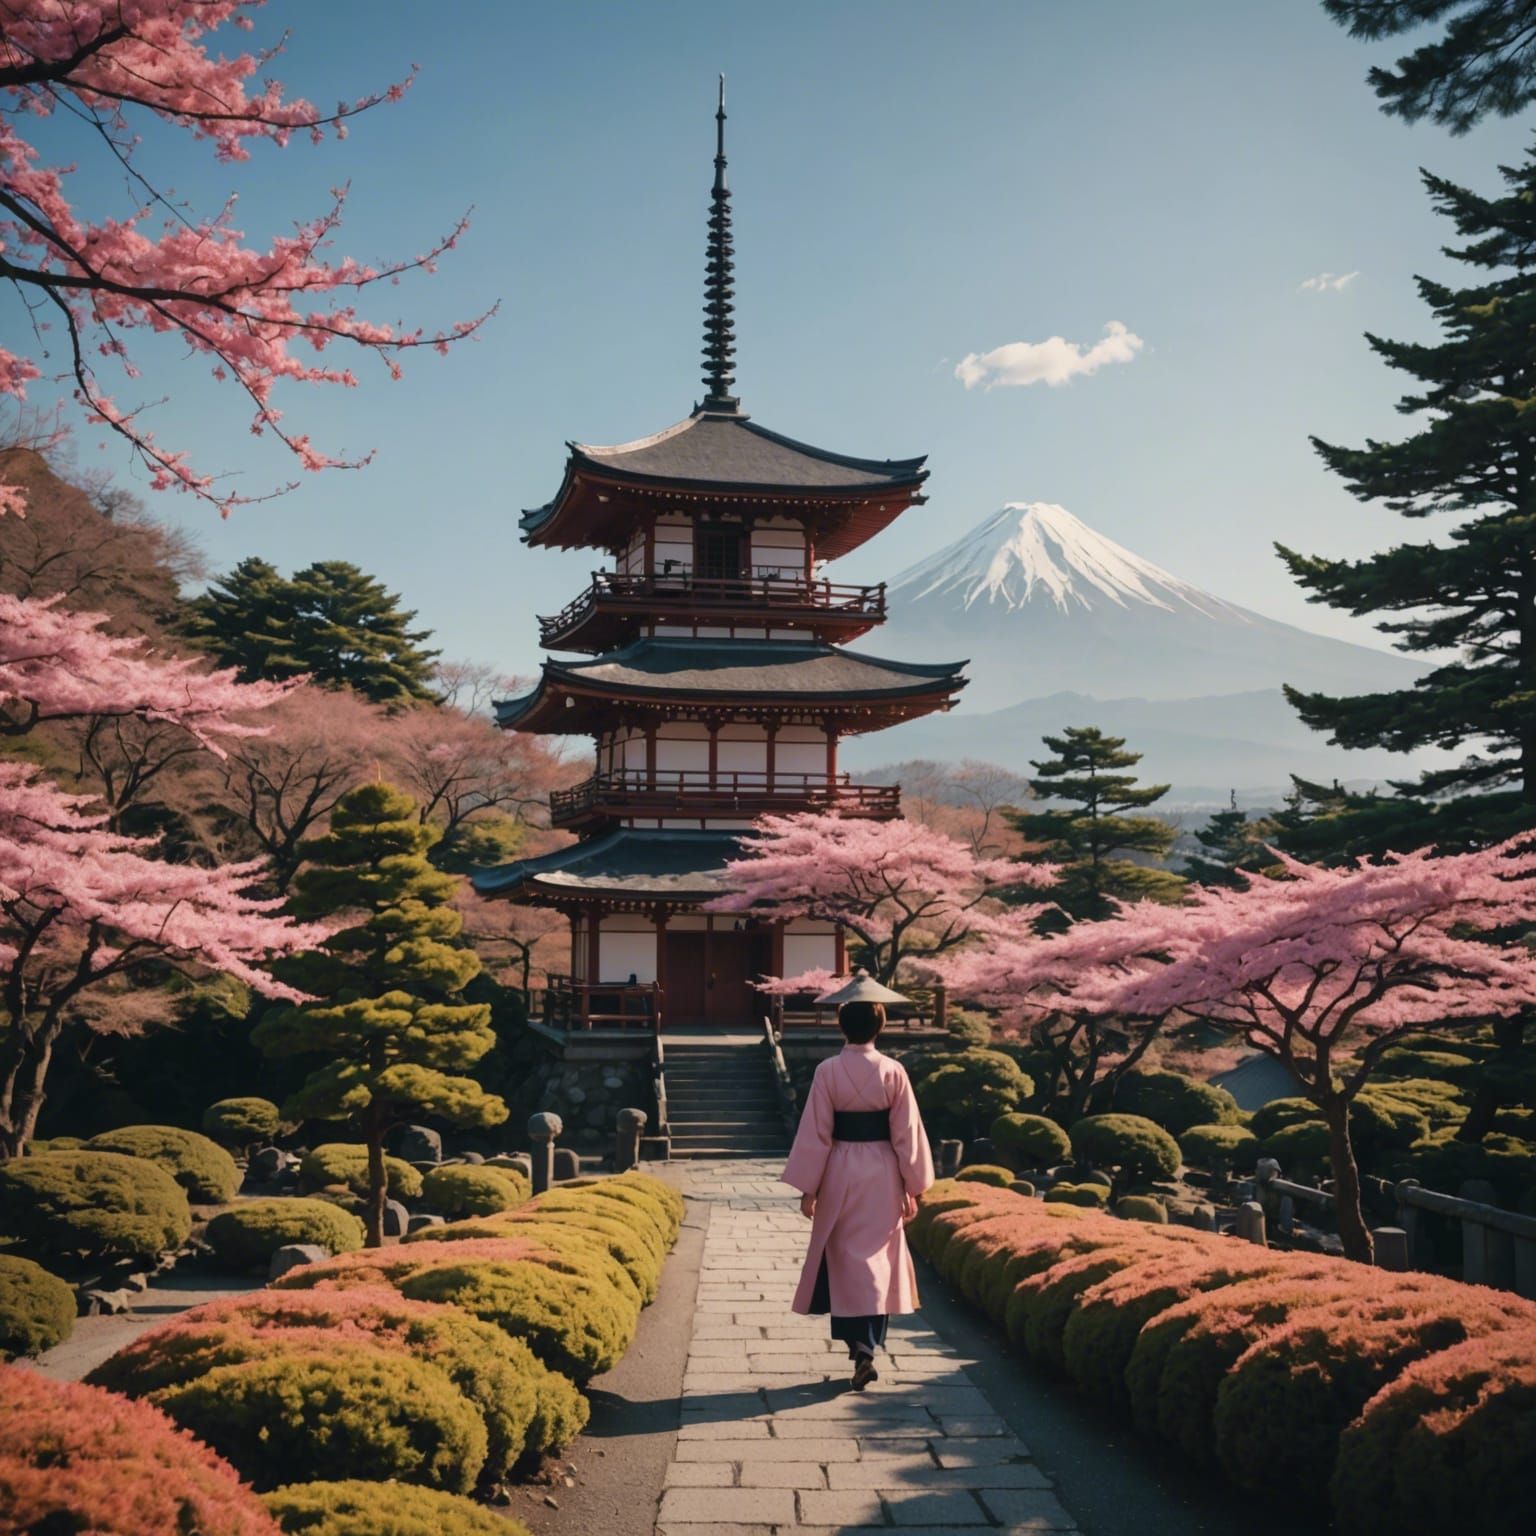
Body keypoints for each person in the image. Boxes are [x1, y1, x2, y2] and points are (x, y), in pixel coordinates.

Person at [781, 995, 935, 1390]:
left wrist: (808, 1187)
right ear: (879, 1027)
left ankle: (858, 1344)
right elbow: (906, 1134)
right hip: (884, 1169)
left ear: (841, 1026)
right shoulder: (893, 1070)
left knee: (843, 1256)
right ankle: (868, 1345)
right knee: (878, 1257)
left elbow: (817, 1132)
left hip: (839, 1167)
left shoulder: (827, 1071)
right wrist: (912, 1185)